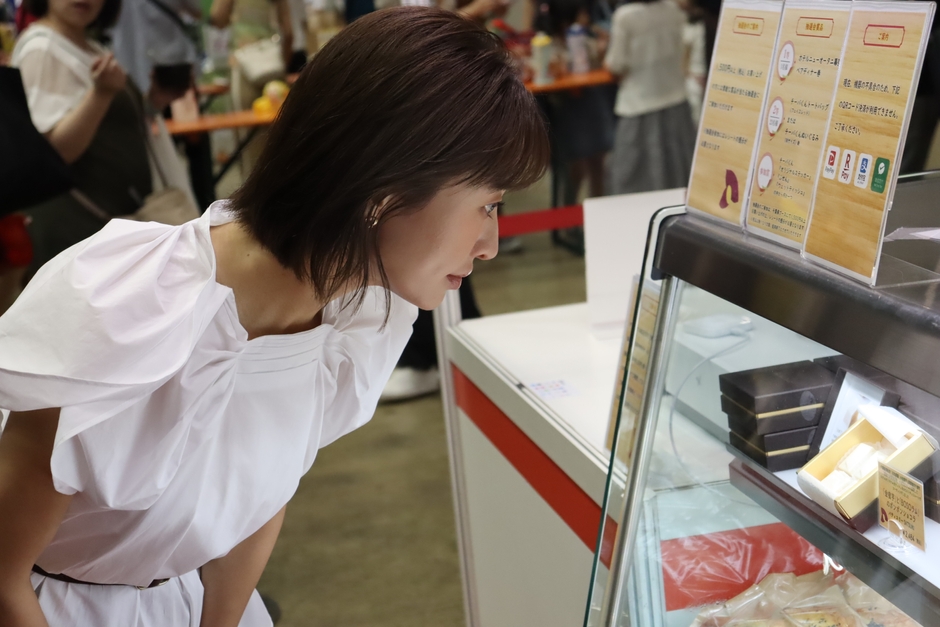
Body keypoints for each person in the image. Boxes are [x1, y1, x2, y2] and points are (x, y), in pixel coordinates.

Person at [0, 7, 550, 627]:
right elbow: (4, 576)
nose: (491, 244)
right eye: (488, 205)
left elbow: (263, 489)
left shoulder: (355, 315)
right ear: (386, 193)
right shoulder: (129, 305)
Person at [10, 0, 196, 275]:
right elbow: (54, 153)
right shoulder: (42, 48)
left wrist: (155, 100)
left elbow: (110, 127)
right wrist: (101, 94)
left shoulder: (88, 46)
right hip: (80, 233)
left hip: (110, 226)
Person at [605, 0, 695, 194]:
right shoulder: (673, 10)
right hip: (676, 102)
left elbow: (616, 64)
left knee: (635, 182)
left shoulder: (625, 16)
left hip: (638, 106)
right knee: (680, 176)